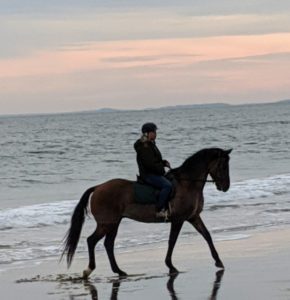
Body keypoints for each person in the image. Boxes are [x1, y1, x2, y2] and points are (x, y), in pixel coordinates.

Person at [134, 122, 172, 218]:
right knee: (167, 186)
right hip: (148, 174)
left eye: (155, 132)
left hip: (153, 172)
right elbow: (150, 164)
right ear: (146, 133)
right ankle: (159, 210)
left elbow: (154, 160)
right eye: (153, 132)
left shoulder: (150, 143)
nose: (155, 134)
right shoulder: (144, 145)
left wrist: (163, 163)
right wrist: (161, 169)